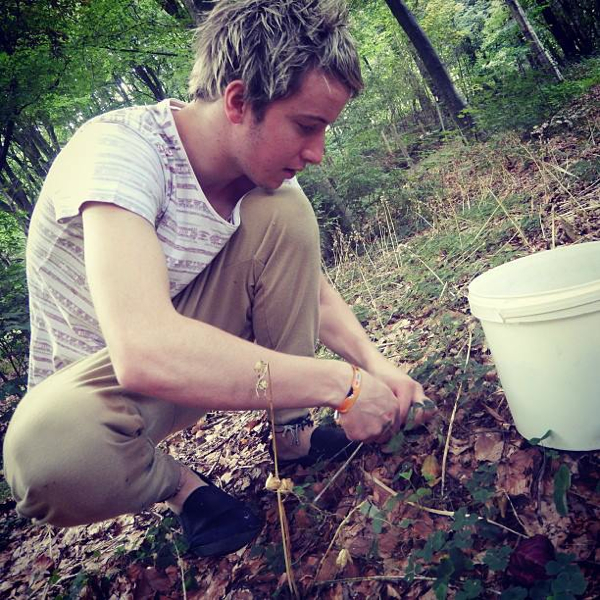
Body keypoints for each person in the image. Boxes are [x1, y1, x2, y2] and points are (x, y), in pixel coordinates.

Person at [3, 0, 432, 558]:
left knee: (284, 210)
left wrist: (379, 368)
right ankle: (183, 491)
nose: (318, 153)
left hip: (201, 358)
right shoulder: (119, 153)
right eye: (306, 126)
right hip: (102, 404)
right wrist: (343, 387)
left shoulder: (260, 178)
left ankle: (292, 437)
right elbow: (145, 353)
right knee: (43, 456)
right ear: (237, 100)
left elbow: (311, 293)